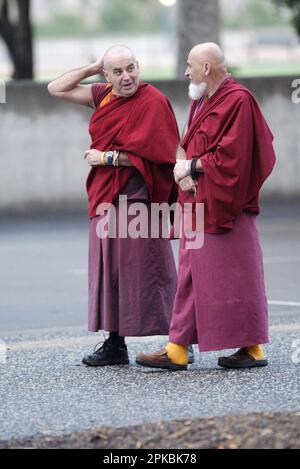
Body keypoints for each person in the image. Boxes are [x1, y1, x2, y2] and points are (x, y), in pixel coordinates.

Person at [136, 42, 276, 371]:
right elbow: (187, 143)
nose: (185, 71)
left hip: (226, 204)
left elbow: (234, 158)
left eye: (189, 65)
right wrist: (182, 169)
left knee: (236, 276)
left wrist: (193, 167)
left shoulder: (238, 100)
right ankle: (180, 348)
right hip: (197, 200)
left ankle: (249, 349)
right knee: (192, 274)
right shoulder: (202, 99)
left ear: (206, 68)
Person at [48, 45, 184, 366]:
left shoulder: (153, 102)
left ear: (139, 67)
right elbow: (56, 88)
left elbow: (161, 155)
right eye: (118, 71)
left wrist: (107, 157)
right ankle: (115, 343)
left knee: (152, 268)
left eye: (131, 68)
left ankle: (181, 341)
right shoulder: (103, 95)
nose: (127, 77)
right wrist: (93, 66)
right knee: (109, 269)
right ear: (106, 76)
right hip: (105, 197)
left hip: (139, 197)